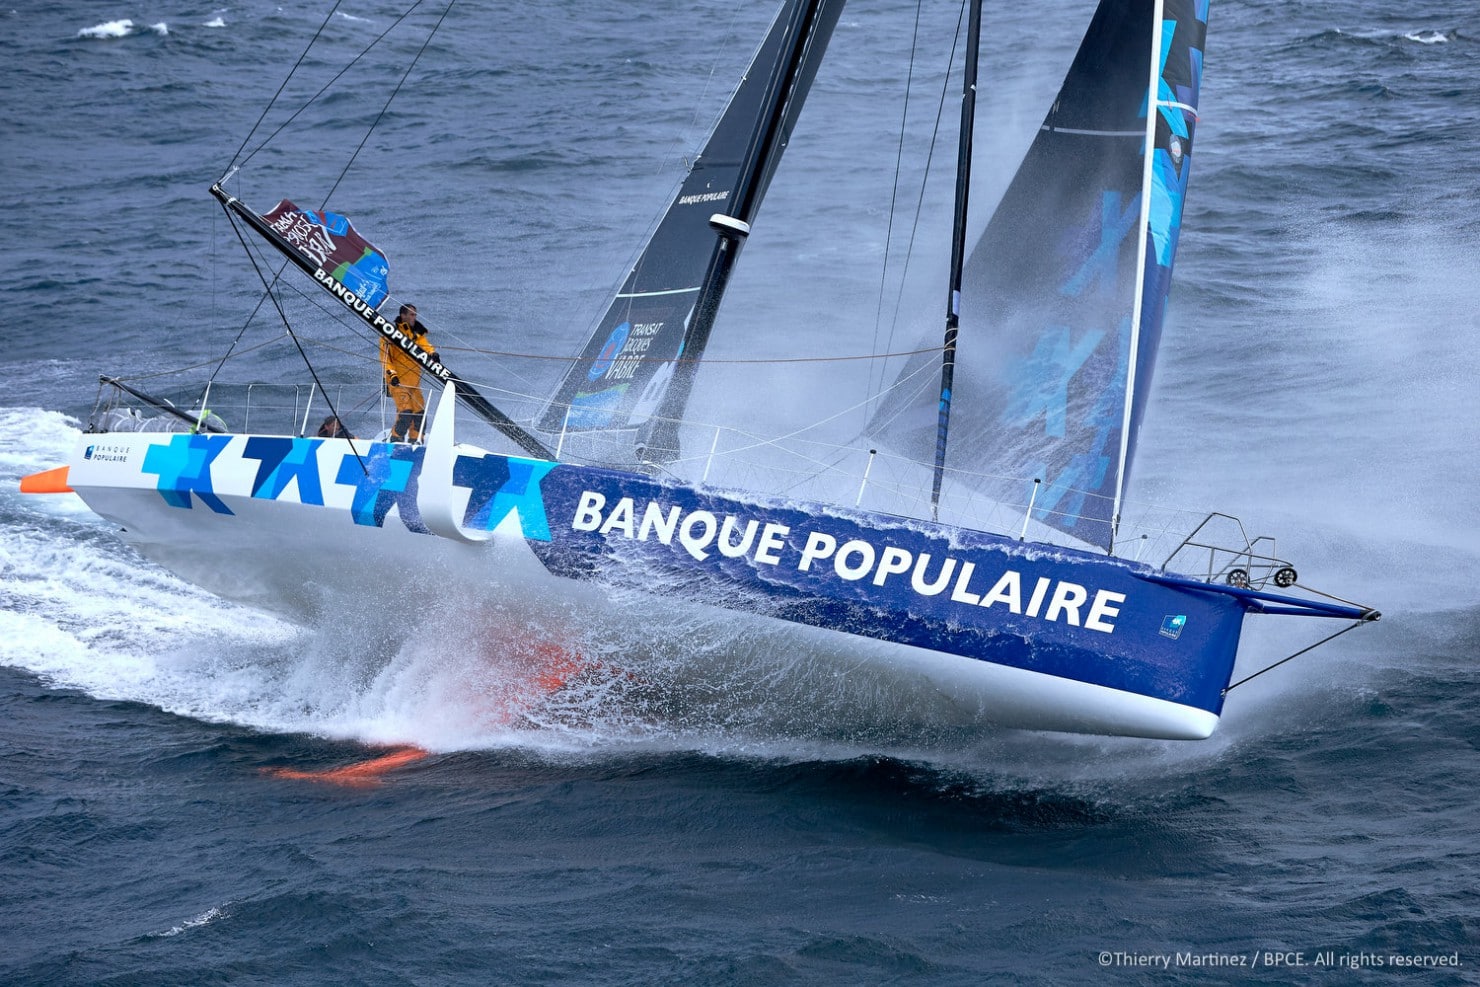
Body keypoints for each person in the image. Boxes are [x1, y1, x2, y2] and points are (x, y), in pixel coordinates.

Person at [379, 302, 439, 442]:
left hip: (414, 383)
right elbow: (385, 359)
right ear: (403, 315)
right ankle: (396, 440)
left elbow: (425, 346)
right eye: (411, 314)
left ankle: (415, 442)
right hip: (398, 382)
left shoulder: (417, 333)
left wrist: (433, 354)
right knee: (405, 414)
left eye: (415, 315)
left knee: (419, 415)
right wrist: (391, 375)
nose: (414, 317)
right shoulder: (389, 334)